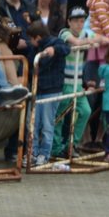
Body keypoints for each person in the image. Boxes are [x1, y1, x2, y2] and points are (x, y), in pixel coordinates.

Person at [51, 6, 97, 157]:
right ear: (69, 22)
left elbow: (98, 38)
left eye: (82, 21)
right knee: (60, 116)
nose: (79, 24)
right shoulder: (64, 33)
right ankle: (56, 148)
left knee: (85, 111)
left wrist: (98, 39)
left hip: (77, 82)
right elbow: (76, 42)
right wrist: (90, 41)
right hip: (65, 82)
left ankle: (72, 144)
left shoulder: (86, 32)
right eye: (76, 21)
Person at [27, 20, 69, 164]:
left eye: (31, 39)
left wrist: (54, 50)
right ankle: (33, 152)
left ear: (37, 37)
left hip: (51, 90)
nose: (30, 42)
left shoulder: (55, 42)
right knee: (34, 123)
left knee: (46, 124)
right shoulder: (35, 48)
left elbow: (65, 48)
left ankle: (44, 154)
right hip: (38, 90)